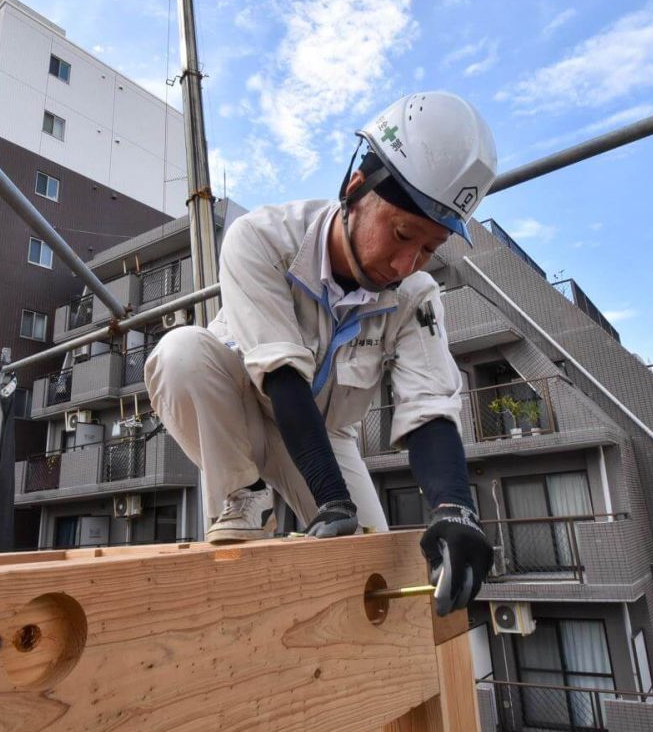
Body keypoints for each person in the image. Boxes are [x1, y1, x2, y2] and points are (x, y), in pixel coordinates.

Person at [147, 92, 496, 615]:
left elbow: (429, 410)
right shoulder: (263, 240)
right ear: (356, 188)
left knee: (372, 577)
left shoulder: (414, 296)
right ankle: (243, 498)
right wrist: (332, 500)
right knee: (180, 353)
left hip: (325, 436)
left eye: (428, 248)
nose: (406, 262)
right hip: (242, 408)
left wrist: (456, 509)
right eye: (402, 234)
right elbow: (280, 372)